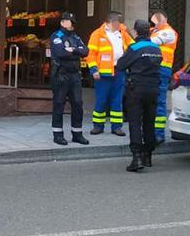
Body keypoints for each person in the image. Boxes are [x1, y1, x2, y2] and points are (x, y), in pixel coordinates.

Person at [115, 20, 163, 172]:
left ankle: (136, 158)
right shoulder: (157, 48)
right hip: (154, 88)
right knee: (150, 121)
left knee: (135, 122)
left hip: (137, 88)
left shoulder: (134, 47)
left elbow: (121, 65)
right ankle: (148, 156)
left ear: (135, 32)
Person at [87, 12, 133, 136]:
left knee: (117, 100)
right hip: (102, 73)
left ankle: (117, 127)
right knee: (101, 100)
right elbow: (91, 54)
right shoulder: (97, 34)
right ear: (108, 22)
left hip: (119, 71)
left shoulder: (122, 33)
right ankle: (98, 126)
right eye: (117, 23)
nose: (120, 25)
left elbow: (133, 46)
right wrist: (94, 70)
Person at [49, 12, 90, 146]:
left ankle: (77, 134)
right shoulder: (56, 36)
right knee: (59, 104)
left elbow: (85, 51)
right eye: (70, 22)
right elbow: (60, 52)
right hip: (61, 75)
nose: (72, 25)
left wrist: (71, 50)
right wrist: (74, 51)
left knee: (78, 104)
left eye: (73, 23)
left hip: (75, 75)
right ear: (63, 22)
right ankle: (58, 134)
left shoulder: (76, 37)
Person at [150, 11, 179, 144]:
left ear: (164, 20)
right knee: (150, 101)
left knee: (159, 102)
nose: (156, 23)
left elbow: (151, 42)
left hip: (162, 69)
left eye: (157, 21)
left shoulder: (168, 32)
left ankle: (158, 134)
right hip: (152, 69)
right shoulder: (154, 31)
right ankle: (150, 131)